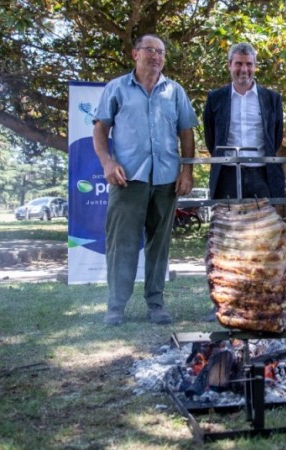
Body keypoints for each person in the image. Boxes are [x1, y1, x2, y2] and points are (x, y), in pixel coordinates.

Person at [93, 34, 199, 326]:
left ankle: (156, 303)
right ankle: (115, 307)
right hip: (128, 181)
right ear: (134, 54)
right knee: (121, 244)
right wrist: (107, 162)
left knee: (159, 245)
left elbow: (187, 132)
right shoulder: (116, 88)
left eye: (161, 52)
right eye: (150, 50)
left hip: (166, 180)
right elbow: (101, 129)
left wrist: (186, 171)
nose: (156, 56)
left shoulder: (175, 91)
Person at [204, 43, 285, 200]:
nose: (244, 69)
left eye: (249, 64)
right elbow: (211, 137)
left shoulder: (272, 99)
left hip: (262, 174)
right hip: (226, 175)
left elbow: (276, 137)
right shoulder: (215, 98)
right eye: (238, 63)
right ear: (229, 65)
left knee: (262, 224)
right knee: (227, 223)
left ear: (255, 66)